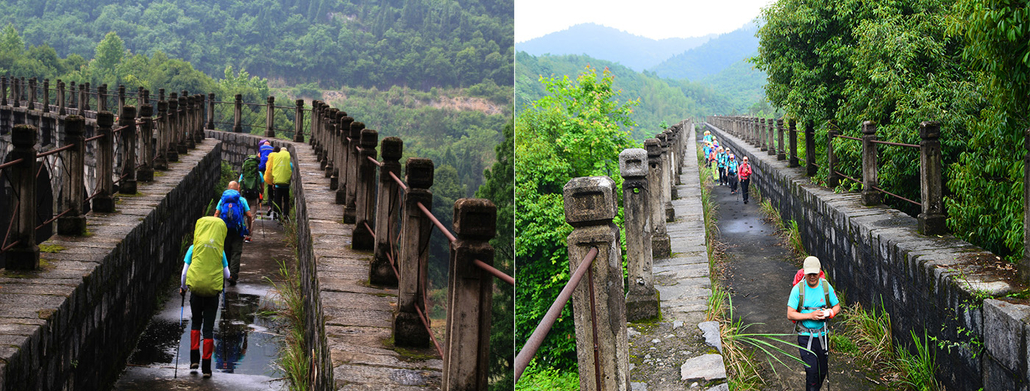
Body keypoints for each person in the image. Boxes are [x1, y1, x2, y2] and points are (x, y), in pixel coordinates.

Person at [179, 216, 231, 379]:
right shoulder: (219, 250)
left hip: (196, 293)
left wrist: (183, 287)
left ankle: (194, 360)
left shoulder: (193, 248)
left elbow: (184, 272)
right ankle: (207, 368)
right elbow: (227, 274)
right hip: (212, 294)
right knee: (208, 328)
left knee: (195, 322)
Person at [787, 256, 841, 391]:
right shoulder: (798, 290)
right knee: (811, 373)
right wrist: (810, 315)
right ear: (804, 272)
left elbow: (837, 306)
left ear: (819, 271)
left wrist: (829, 313)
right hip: (806, 337)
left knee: (822, 372)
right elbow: (790, 314)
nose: (812, 277)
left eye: (815, 273)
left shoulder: (825, 286)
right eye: (809, 273)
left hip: (823, 336)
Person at [214, 181, 253, 284]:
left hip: (224, 230)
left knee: (225, 251)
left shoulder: (223, 199)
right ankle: (232, 275)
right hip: (238, 230)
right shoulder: (242, 200)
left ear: (228, 188)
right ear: (238, 189)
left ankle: (224, 273)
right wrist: (249, 228)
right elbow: (249, 215)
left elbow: (216, 214)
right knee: (236, 252)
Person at [267, 146, 293, 222]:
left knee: (277, 200)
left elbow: (274, 172)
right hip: (286, 185)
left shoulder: (277, 163)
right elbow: (290, 173)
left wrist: (273, 183)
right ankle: (286, 214)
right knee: (286, 200)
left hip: (278, 185)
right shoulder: (289, 164)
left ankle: (278, 213)